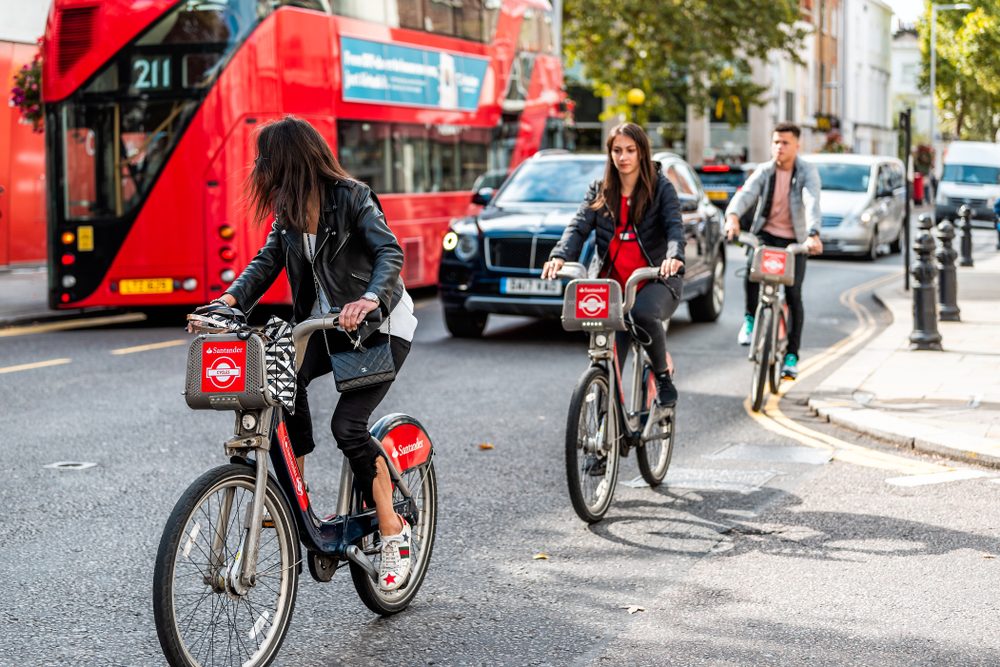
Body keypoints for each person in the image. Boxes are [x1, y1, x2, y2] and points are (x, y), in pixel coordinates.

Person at [195, 116, 419, 592]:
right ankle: (297, 491)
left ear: (289, 160)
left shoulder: (353, 197)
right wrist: (226, 302)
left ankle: (393, 530)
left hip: (375, 325)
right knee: (280, 384)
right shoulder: (289, 209)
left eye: (265, 158)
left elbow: (389, 253)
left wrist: (370, 299)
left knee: (348, 427)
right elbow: (265, 263)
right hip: (321, 327)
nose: (259, 167)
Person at [542, 122, 685, 406]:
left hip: (656, 279)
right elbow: (578, 227)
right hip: (613, 284)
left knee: (642, 314)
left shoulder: (661, 188)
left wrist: (674, 256)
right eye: (617, 150)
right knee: (607, 352)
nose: (623, 157)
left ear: (642, 152)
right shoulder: (600, 190)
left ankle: (662, 375)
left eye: (630, 150)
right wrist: (559, 255)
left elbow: (674, 227)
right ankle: (606, 411)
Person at [724, 121, 822, 380]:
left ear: (797, 146)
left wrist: (813, 234)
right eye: (776, 142)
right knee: (751, 271)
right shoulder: (765, 171)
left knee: (794, 296)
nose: (779, 147)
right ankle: (750, 319)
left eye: (785, 143)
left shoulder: (807, 171)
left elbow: (812, 200)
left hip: (796, 240)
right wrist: (732, 217)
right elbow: (746, 194)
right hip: (766, 235)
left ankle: (791, 357)